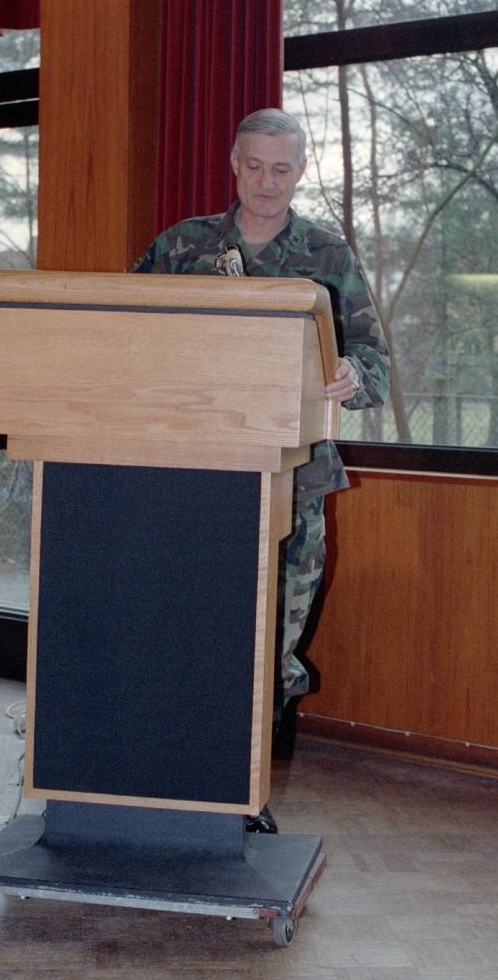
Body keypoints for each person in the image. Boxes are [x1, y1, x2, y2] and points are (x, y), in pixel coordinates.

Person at [132, 107, 389, 829]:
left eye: (282, 168)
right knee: (184, 631)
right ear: (233, 164)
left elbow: (375, 366)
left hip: (293, 481)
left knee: (270, 640)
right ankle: (170, 783)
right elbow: (121, 328)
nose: (267, 182)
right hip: (189, 477)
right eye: (254, 166)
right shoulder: (181, 248)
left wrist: (350, 373)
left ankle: (242, 795)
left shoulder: (327, 255)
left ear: (300, 171)